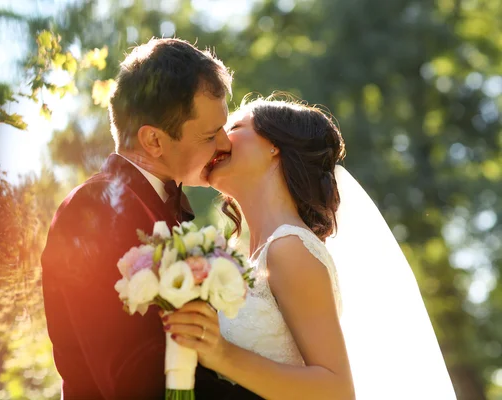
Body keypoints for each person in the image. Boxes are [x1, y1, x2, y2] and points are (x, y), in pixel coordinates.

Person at [163, 97, 457, 399]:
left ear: (273, 146)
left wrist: (221, 354)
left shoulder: (290, 249)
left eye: (235, 126)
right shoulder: (244, 256)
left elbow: (336, 390)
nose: (219, 139)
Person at [40, 37, 234, 399]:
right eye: (210, 135)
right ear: (154, 141)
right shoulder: (94, 210)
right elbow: (136, 380)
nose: (226, 145)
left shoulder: (162, 207)